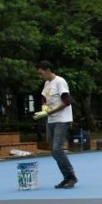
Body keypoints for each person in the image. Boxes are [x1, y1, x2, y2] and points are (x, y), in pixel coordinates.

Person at [35, 60, 78, 189]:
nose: (40, 76)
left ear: (48, 70)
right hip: (51, 120)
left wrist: (50, 112)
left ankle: (71, 177)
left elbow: (66, 101)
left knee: (57, 149)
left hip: (62, 119)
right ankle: (66, 177)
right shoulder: (47, 84)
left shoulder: (60, 82)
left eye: (41, 73)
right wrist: (43, 108)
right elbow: (44, 99)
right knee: (54, 152)